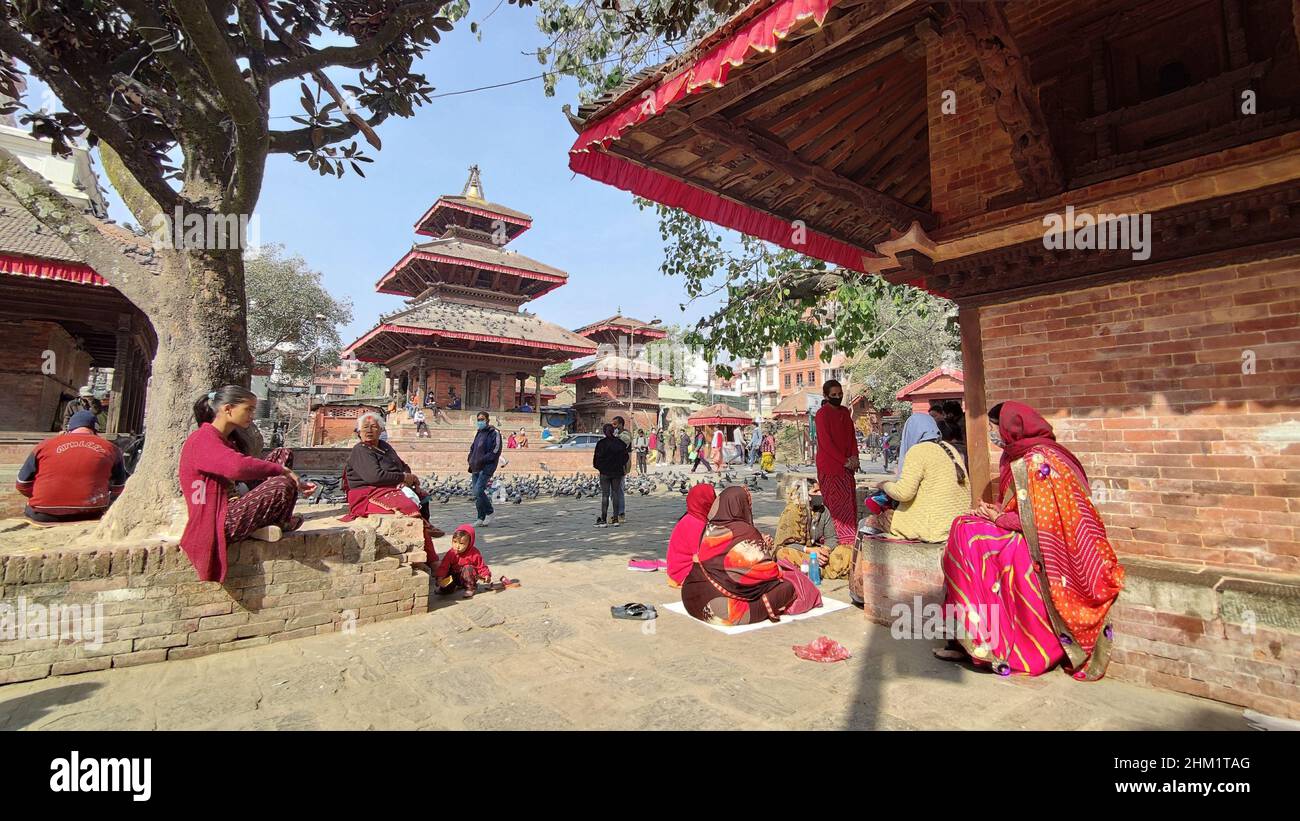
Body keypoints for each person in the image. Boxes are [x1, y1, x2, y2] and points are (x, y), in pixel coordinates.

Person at [936, 401, 1125, 679]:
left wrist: (997, 519)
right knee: (964, 527)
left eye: (993, 428)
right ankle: (967, 639)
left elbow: (1039, 519)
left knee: (970, 538)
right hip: (1024, 533)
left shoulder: (1039, 460)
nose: (991, 433)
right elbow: (1014, 505)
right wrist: (993, 512)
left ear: (1010, 428)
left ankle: (990, 642)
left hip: (1051, 547)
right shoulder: (1015, 456)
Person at [179, 386, 311, 583]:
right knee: (281, 483)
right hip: (220, 519)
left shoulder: (225, 439)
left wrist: (280, 468)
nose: (252, 415)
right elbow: (236, 468)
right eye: (248, 409)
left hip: (236, 499)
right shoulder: (203, 439)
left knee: (282, 454)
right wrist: (282, 471)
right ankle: (277, 521)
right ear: (228, 409)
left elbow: (245, 471)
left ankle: (265, 522)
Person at [681, 486, 819, 626]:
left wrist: (759, 548)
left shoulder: (709, 528)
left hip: (692, 599)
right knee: (788, 588)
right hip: (722, 610)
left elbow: (726, 564)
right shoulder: (744, 531)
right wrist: (768, 557)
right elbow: (767, 575)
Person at [340, 412, 443, 544]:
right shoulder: (361, 450)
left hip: (387, 487)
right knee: (408, 505)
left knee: (423, 498)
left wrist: (407, 478)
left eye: (373, 427)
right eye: (365, 428)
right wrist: (402, 478)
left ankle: (428, 552)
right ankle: (425, 533)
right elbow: (375, 477)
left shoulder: (384, 446)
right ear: (359, 431)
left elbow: (402, 465)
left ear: (381, 430)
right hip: (366, 493)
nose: (369, 431)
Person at [863, 413, 968, 543]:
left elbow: (903, 493)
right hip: (957, 524)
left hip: (933, 528)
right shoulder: (949, 448)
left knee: (868, 522)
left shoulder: (918, 451)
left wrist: (883, 485)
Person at [16, 409, 127, 523]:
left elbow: (21, 484)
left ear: (68, 429)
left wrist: (42, 495)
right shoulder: (111, 449)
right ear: (96, 429)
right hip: (92, 513)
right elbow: (119, 487)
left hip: (44, 514)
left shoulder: (45, 445)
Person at [812, 379, 859, 578]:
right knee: (834, 506)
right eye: (834, 394)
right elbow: (826, 443)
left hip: (846, 466)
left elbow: (852, 437)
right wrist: (844, 461)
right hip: (831, 467)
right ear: (826, 396)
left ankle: (849, 543)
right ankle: (833, 542)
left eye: (840, 393)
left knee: (848, 504)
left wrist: (854, 458)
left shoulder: (845, 414)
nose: (838, 397)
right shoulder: (821, 415)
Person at [664, 483, 715, 587]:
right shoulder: (695, 522)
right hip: (683, 572)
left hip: (678, 568)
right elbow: (699, 556)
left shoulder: (695, 517)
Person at [435, 524, 492, 599]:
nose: (457, 546)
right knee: (445, 582)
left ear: (470, 543)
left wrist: (486, 575)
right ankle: (448, 588)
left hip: (468, 576)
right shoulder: (451, 553)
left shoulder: (474, 553)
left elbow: (481, 566)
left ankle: (471, 587)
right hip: (454, 576)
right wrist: (440, 577)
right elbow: (444, 566)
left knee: (468, 568)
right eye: (455, 542)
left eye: (461, 543)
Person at [467, 411, 502, 527]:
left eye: (482, 419)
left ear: (487, 420)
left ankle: (490, 512)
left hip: (487, 466)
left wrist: (483, 459)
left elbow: (496, 450)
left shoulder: (494, 432)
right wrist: (471, 459)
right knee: (476, 493)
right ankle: (480, 517)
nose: (480, 421)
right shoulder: (479, 433)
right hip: (475, 466)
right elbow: (473, 448)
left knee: (478, 490)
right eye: (478, 419)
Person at [593, 423, 629, 527]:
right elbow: (625, 458)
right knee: (616, 494)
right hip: (617, 471)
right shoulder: (620, 443)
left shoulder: (601, 444)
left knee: (605, 495)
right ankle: (616, 519)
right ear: (613, 431)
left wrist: (600, 467)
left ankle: (603, 519)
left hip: (605, 472)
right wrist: (619, 465)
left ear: (604, 432)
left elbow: (596, 460)